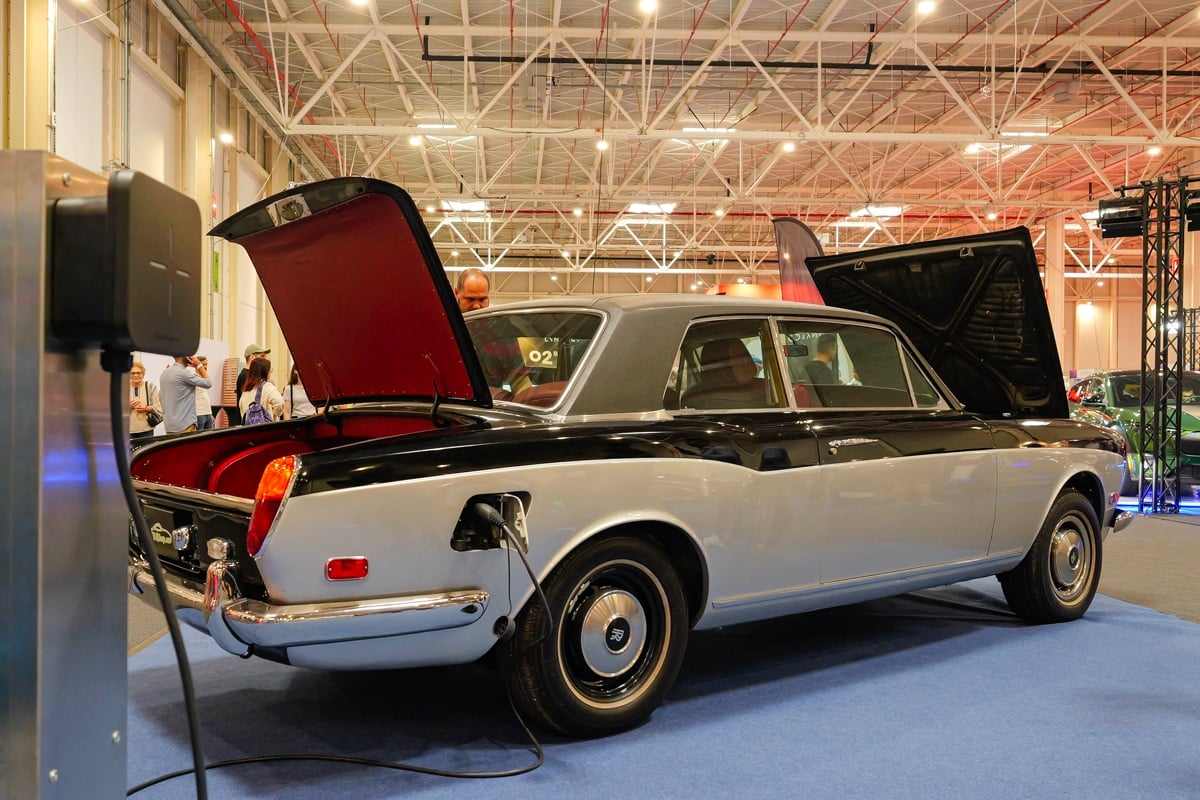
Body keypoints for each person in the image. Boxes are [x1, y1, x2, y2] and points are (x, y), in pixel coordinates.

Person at [160, 354, 212, 433]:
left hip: (170, 426)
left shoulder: (164, 374)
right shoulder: (184, 374)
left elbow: (161, 397)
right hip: (185, 426)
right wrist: (199, 366)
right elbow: (208, 383)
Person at [228, 343, 270, 425]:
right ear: (252, 357)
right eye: (262, 356)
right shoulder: (245, 376)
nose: (265, 359)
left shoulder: (248, 375)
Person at [239, 358, 284, 422]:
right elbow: (279, 404)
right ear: (265, 371)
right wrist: (272, 415)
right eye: (270, 369)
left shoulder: (246, 389)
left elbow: (242, 410)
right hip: (266, 428)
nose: (270, 372)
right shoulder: (267, 387)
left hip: (249, 429)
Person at [128, 361, 163, 442]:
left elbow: (160, 406)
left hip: (146, 429)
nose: (136, 375)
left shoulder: (150, 386)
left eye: (138, 373)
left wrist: (146, 408)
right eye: (133, 373)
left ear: (143, 374)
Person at [191, 355, 214, 430]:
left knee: (209, 438)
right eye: (202, 364)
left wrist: (210, 414)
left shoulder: (205, 379)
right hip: (199, 414)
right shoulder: (193, 377)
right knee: (199, 438)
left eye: (206, 364)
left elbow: (205, 396)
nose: (205, 367)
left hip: (208, 413)